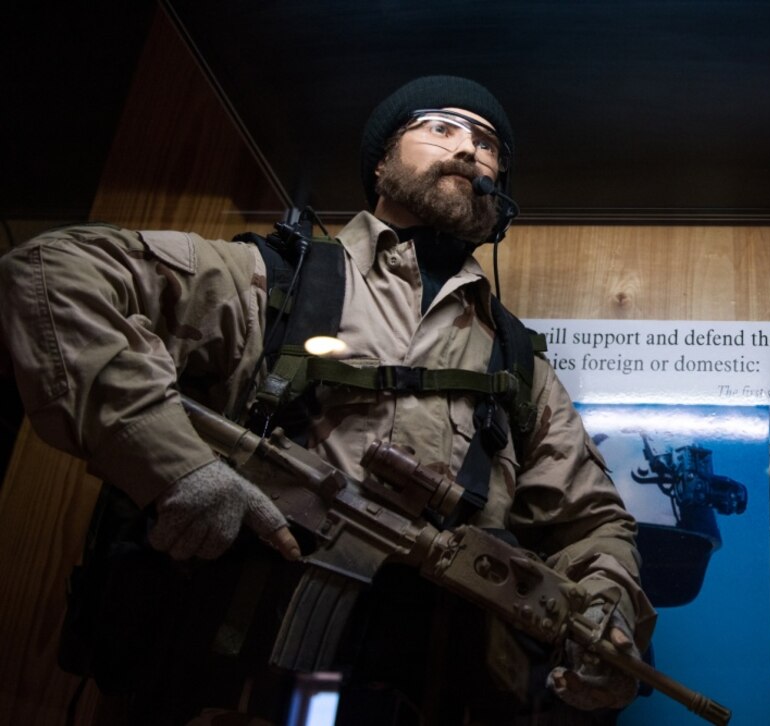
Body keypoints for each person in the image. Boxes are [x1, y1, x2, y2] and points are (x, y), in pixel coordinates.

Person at [0, 75, 655, 725]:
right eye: (440, 128)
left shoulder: (516, 359)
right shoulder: (268, 276)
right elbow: (50, 275)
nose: (469, 150)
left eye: (488, 145)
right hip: (223, 689)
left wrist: (604, 612)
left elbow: (592, 524)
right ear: (380, 163)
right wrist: (178, 468)